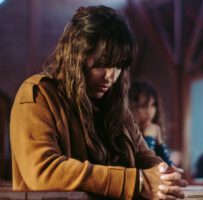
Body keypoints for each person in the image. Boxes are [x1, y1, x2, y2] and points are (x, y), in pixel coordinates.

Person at [9, 5, 186, 199]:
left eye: (119, 65)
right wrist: (139, 182)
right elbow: (42, 172)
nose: (112, 76)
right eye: (102, 63)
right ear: (77, 57)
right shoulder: (39, 94)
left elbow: (145, 158)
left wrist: (164, 177)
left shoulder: (116, 105)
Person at [129, 80, 172, 166]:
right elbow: (144, 168)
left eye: (153, 105)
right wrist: (149, 138)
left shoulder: (154, 129)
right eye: (143, 106)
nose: (149, 111)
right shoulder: (126, 135)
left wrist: (160, 142)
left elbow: (169, 168)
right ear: (131, 108)